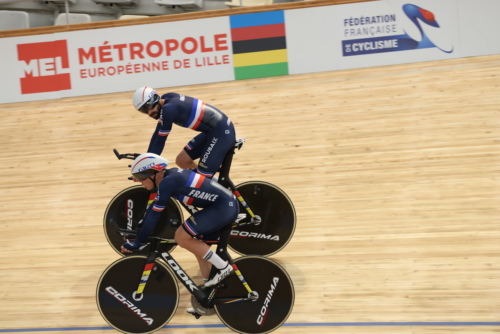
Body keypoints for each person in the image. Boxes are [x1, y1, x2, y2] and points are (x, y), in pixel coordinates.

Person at [121, 152, 238, 288]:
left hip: (222, 208)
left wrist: (137, 242)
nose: (140, 182)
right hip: (223, 206)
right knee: (198, 246)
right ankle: (209, 290)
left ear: (153, 174)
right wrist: (138, 232)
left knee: (181, 236)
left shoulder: (168, 182)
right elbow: (152, 209)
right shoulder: (170, 175)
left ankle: (223, 267)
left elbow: (154, 215)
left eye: (141, 178)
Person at [132, 87, 236, 179]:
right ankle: (215, 185)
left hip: (221, 133)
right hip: (213, 131)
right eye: (144, 110)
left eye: (148, 107)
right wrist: (146, 158)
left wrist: (147, 166)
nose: (149, 113)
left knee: (201, 179)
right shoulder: (166, 100)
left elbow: (160, 141)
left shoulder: (168, 110)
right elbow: (156, 134)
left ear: (155, 99)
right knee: (182, 161)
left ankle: (220, 194)